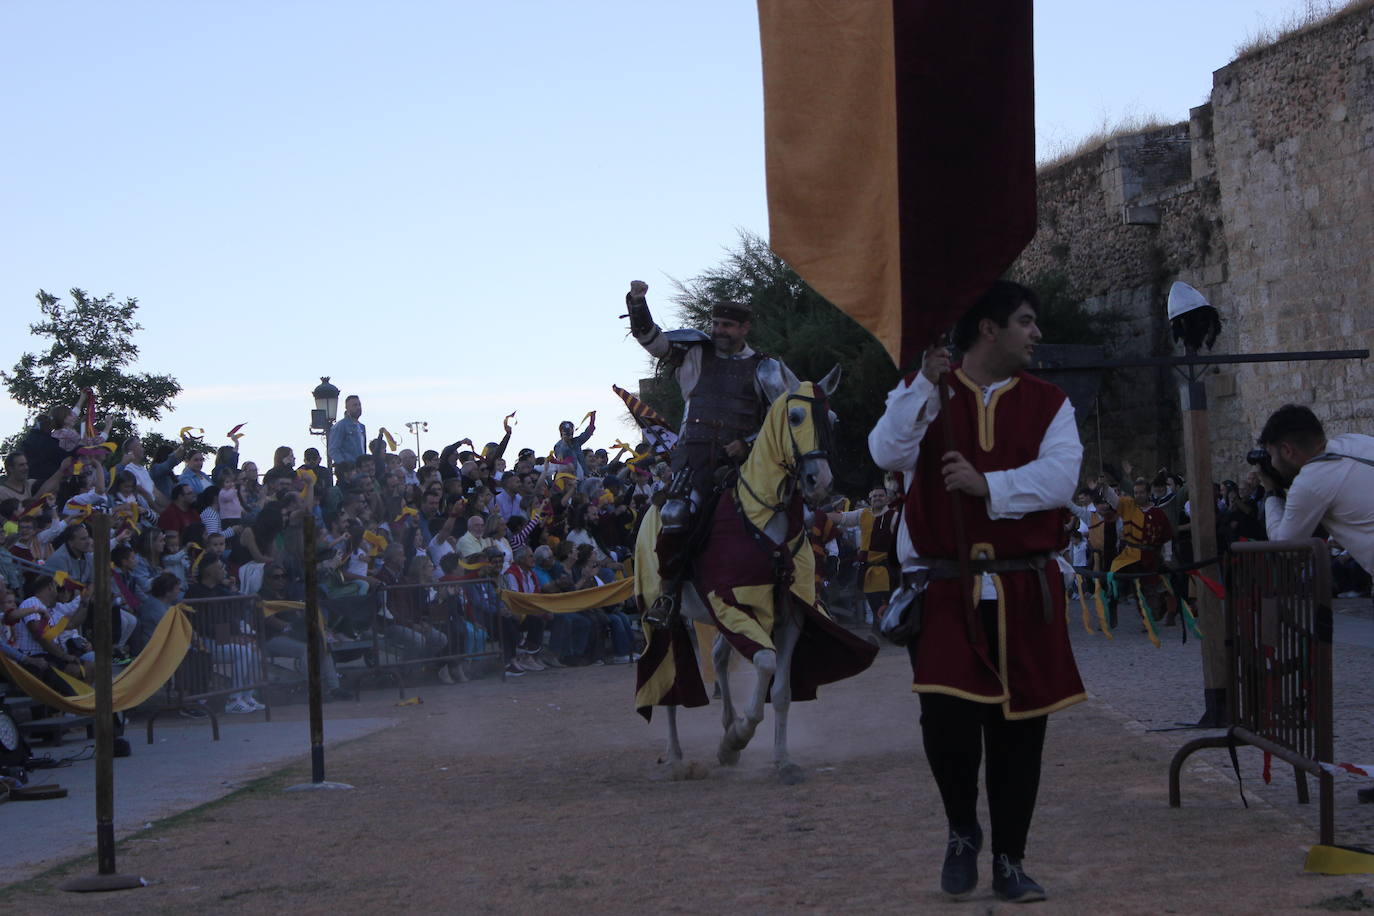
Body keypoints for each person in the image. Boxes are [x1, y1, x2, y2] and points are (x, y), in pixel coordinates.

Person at [868, 280, 1085, 903]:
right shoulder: (926, 395)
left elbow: (1059, 478)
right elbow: (886, 450)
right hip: (945, 589)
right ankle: (963, 831)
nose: (1035, 333)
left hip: (1024, 591)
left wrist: (987, 485)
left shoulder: (1050, 403)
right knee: (948, 725)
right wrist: (919, 389)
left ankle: (1012, 859)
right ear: (988, 329)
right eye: (1025, 322)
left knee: (1021, 732)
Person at [624, 279, 789, 536]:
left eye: (727, 325)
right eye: (715, 324)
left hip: (746, 461)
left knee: (792, 511)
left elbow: (780, 420)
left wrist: (747, 444)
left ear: (744, 328)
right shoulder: (695, 353)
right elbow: (652, 341)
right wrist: (638, 302)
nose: (719, 330)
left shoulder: (766, 368)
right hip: (694, 459)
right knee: (675, 513)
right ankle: (671, 577)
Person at [1258, 404, 1374, 576]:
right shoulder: (1355, 441)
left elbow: (1285, 547)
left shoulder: (1311, 480)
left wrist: (1271, 492)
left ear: (1287, 450)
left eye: (1272, 455)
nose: (1272, 464)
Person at [328, 395, 368, 467]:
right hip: (349, 470)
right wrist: (345, 465)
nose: (358, 408)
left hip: (360, 469)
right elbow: (333, 450)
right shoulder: (340, 426)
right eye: (354, 405)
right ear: (347, 408)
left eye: (359, 405)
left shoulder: (362, 427)